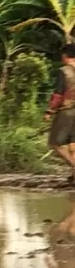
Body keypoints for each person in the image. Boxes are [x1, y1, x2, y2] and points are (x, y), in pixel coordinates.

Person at [45, 44, 75, 183]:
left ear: (65, 55)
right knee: (73, 144)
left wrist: (49, 111)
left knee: (55, 143)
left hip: (67, 111)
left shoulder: (64, 71)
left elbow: (58, 94)